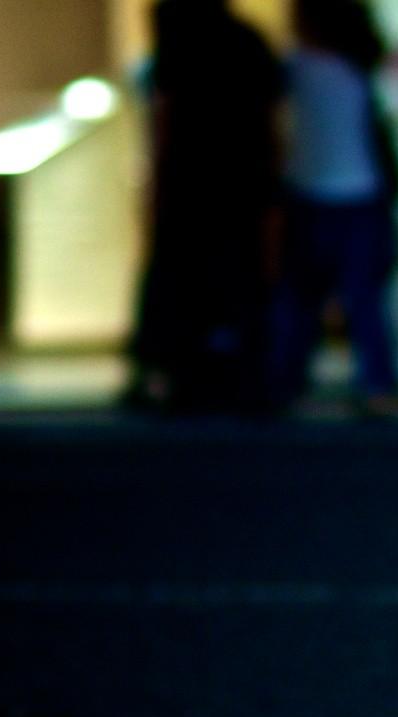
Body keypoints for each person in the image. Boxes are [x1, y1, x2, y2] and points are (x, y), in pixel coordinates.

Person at [270, 0, 398, 439]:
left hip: (318, 193)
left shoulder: (297, 69)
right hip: (359, 193)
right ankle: (374, 384)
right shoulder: (361, 69)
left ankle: (287, 382)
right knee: (359, 297)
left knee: (306, 295)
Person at [129, 0, 283, 412]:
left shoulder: (180, 43)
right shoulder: (248, 43)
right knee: (237, 283)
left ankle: (181, 377)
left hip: (191, 182)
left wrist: (155, 187)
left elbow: (164, 119)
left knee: (183, 283)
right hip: (239, 181)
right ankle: (241, 377)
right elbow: (271, 121)